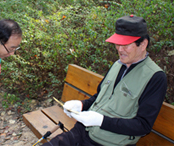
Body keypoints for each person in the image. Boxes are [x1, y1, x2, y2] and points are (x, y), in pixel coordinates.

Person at [47, 15, 167, 146]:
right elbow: (100, 97)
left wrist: (101, 121)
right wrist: (81, 105)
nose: (120, 49)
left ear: (143, 44)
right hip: (82, 131)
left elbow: (143, 125)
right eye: (118, 44)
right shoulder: (118, 64)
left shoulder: (155, 77)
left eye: (126, 45)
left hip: (107, 143)